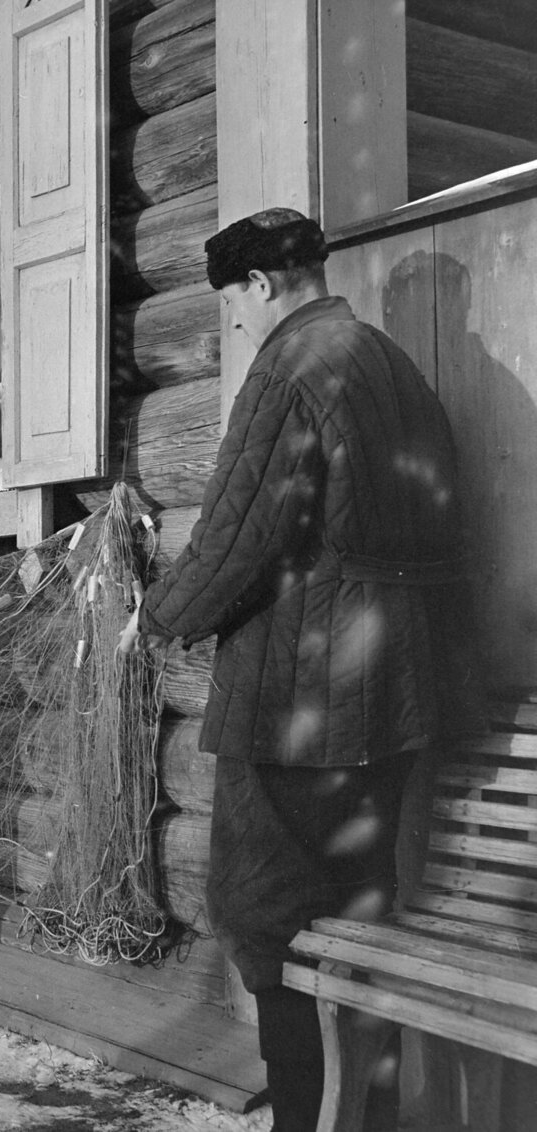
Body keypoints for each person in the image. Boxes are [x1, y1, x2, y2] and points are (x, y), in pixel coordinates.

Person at [124, 209, 475, 1132]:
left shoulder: (289, 366)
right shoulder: (392, 363)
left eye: (233, 299)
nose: (238, 319)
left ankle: (302, 1117)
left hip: (301, 692)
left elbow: (242, 535)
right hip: (397, 686)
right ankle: (370, 1113)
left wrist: (157, 618)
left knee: (262, 910)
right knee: (363, 911)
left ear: (263, 284)